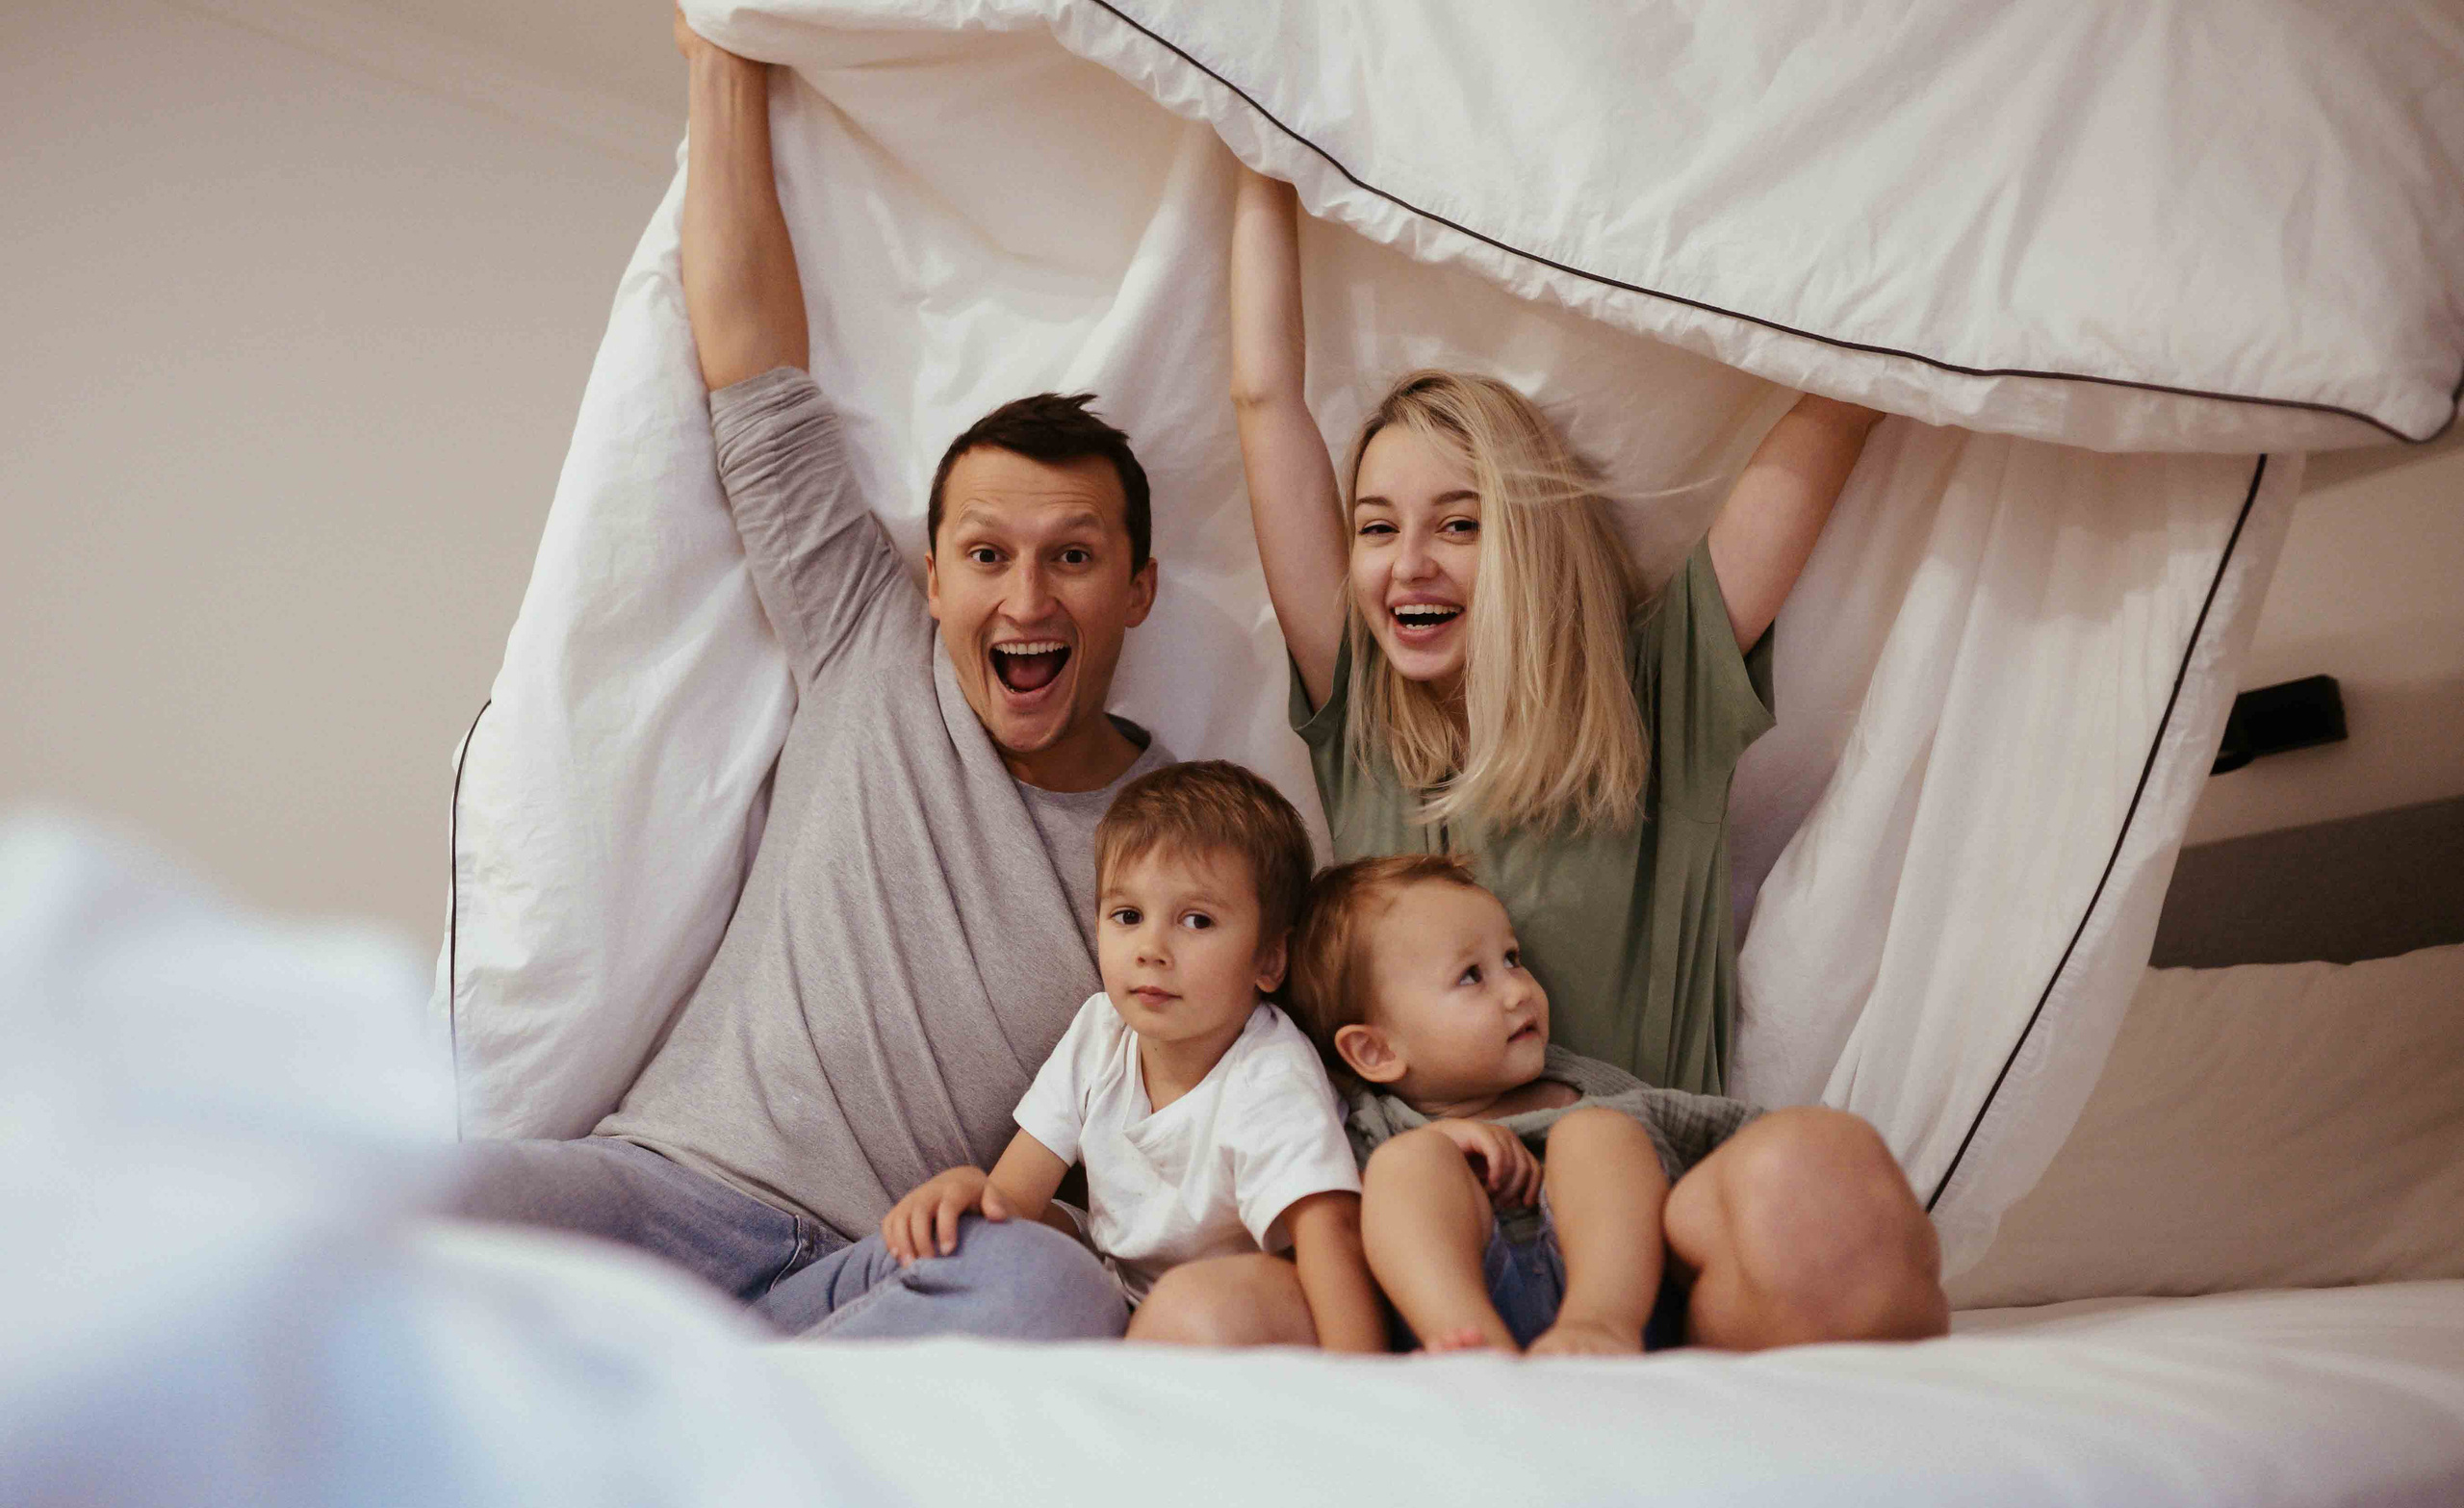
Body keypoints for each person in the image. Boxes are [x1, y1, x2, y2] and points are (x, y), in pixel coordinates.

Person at [445, 15, 1168, 1342]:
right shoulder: (867, 638)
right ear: (933, 579)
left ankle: (738, 1408)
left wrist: (1043, 1209)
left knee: (1055, 1286)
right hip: (666, 1193)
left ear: (1137, 589)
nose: (1026, 598)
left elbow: (1173, 1121)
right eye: (988, 555)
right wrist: (726, 47)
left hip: (884, 1263)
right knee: (412, 1181)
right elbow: (747, 358)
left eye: (1073, 557)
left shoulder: (1184, 831)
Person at [1221, 165, 1948, 1348]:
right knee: (1204, 1313)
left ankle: (1664, 1397)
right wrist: (1260, 152)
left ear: (1531, 544)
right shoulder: (1360, 719)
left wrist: (1927, 218)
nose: (1408, 562)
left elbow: (1837, 408)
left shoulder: (1656, 692)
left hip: (1643, 1216)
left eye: (1460, 524)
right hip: (1430, 1232)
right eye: (1376, 527)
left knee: (1829, 1171)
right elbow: (1264, 402)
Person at [875, 761, 1383, 1349]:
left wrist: (1363, 1391)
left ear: (1269, 960)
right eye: (1127, 916)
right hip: (1123, 1293)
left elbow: (1333, 1241)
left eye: (1196, 920)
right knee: (980, 1238)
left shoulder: (1270, 1074)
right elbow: (1016, 1197)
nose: (1150, 949)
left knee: (1191, 1308)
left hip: (1265, 1305)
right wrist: (972, 1191)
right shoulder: (1100, 1031)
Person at [1292, 856, 1824, 1356]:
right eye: (1471, 976)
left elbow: (1718, 1137)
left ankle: (1597, 1323)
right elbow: (1332, 1222)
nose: (1518, 991)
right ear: (1377, 1050)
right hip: (1457, 1316)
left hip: (1626, 1305)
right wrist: (1436, 1139)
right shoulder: (1366, 1125)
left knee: (1599, 1134)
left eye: (1512, 959)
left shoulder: (1583, 1086)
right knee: (1405, 1165)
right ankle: (1470, 1346)